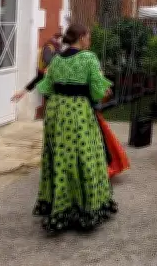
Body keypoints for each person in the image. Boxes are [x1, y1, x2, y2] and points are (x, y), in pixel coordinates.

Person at [33, 24, 117, 232]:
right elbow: (100, 91)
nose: (89, 40)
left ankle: (59, 204)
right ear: (81, 37)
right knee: (85, 155)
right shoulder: (89, 58)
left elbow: (46, 86)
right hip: (78, 111)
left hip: (56, 111)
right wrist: (107, 91)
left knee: (60, 157)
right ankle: (84, 206)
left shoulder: (57, 59)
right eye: (88, 36)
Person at [11, 31, 62, 102]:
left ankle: (21, 93)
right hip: (49, 78)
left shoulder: (56, 47)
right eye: (59, 39)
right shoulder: (49, 47)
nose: (60, 42)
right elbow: (48, 60)